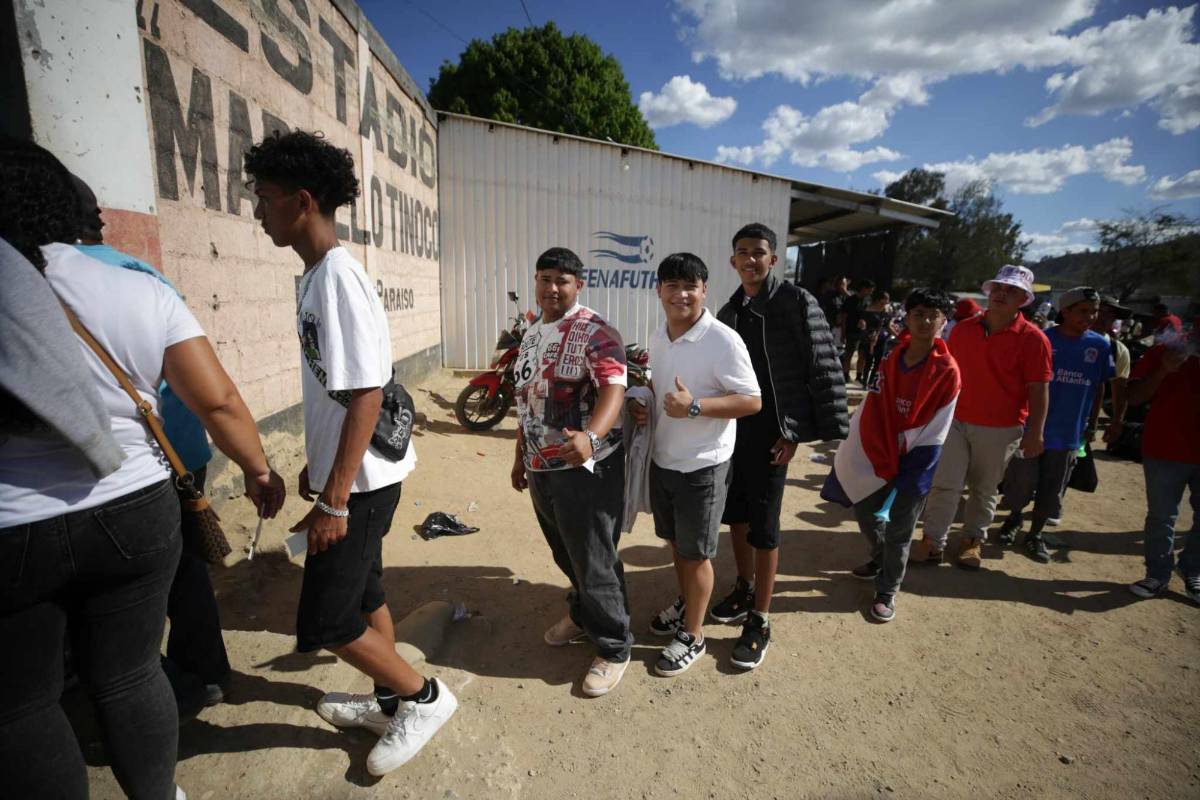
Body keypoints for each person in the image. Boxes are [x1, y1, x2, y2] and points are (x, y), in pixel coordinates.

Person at [0, 137, 285, 800]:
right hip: (133, 507)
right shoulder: (131, 285)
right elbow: (216, 398)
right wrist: (258, 467)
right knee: (130, 673)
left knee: (21, 705)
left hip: (12, 533)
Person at [245, 131, 455, 776]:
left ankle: (424, 699)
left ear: (302, 201)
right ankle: (391, 699)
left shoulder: (337, 277)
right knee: (365, 597)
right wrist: (319, 458)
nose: (258, 210)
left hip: (361, 484)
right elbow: (337, 389)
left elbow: (368, 391)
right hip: (348, 473)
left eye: (266, 198)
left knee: (332, 621)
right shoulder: (313, 276)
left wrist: (334, 497)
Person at [70, 173, 230, 711]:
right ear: (100, 220)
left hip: (124, 471)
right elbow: (213, 395)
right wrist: (254, 465)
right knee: (187, 573)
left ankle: (157, 693)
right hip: (183, 452)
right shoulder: (144, 276)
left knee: (127, 600)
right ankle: (206, 674)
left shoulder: (38, 281)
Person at [714, 223, 848, 670]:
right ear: (732, 261)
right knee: (735, 515)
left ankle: (761, 618)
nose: (750, 259)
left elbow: (821, 363)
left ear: (774, 259)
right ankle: (745, 586)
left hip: (775, 433)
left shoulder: (796, 302)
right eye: (742, 252)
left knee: (765, 525)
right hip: (735, 432)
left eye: (759, 252)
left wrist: (795, 433)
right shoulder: (729, 311)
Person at [509, 247, 632, 695]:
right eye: (544, 278)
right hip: (541, 465)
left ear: (579, 284)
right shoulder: (532, 332)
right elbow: (529, 400)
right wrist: (520, 456)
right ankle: (584, 613)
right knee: (566, 551)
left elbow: (614, 389)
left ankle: (615, 645)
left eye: (562, 280)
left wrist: (591, 438)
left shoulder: (595, 330)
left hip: (585, 468)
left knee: (594, 555)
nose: (552, 288)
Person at [633, 253, 760, 676]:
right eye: (672, 285)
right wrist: (645, 405)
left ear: (705, 290)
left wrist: (696, 407)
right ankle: (689, 603)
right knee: (676, 545)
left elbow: (751, 400)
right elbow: (658, 387)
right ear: (659, 291)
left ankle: (694, 636)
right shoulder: (658, 336)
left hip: (703, 466)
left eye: (690, 286)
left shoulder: (722, 340)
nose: (681, 294)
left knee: (697, 554)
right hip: (664, 459)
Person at [823, 289, 960, 621]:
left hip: (917, 458)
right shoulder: (890, 357)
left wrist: (911, 456)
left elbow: (938, 425)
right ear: (907, 318)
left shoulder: (948, 370)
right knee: (866, 512)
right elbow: (874, 404)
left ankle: (887, 589)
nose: (926, 321)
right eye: (918, 314)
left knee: (901, 528)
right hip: (877, 450)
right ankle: (880, 556)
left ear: (944, 320)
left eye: (933, 315)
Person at [912, 265, 1052, 570]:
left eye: (1012, 290)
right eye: (999, 287)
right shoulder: (963, 329)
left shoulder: (1034, 339)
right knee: (945, 484)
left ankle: (972, 541)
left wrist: (1035, 432)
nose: (1003, 293)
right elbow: (946, 374)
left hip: (1001, 427)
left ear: (1024, 299)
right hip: (955, 420)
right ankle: (933, 541)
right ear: (990, 292)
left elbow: (1039, 389)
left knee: (984, 489)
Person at [995, 288, 1115, 562]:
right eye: (1083, 311)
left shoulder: (1099, 346)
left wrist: (1092, 424)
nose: (1090, 316)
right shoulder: (1042, 339)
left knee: (1053, 486)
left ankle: (1035, 534)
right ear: (1066, 311)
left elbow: (1099, 387)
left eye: (1093, 311)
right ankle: (1013, 519)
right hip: (1032, 428)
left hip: (1069, 432)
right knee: (1020, 482)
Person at [1125, 323, 1200, 602]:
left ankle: (1192, 569)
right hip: (1165, 450)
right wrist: (1163, 371)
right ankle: (1158, 575)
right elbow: (1133, 397)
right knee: (1162, 516)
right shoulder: (1166, 351)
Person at [841, 279, 875, 384]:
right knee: (849, 354)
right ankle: (845, 375)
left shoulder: (868, 301)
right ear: (864, 289)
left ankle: (859, 376)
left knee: (863, 355)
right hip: (852, 331)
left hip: (864, 332)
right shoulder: (851, 300)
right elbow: (844, 317)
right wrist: (843, 333)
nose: (870, 292)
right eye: (869, 290)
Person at [857, 289, 891, 388]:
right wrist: (862, 326)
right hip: (870, 337)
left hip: (882, 338)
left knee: (878, 361)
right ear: (879, 299)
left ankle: (871, 382)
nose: (886, 302)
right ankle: (864, 381)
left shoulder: (886, 311)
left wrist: (898, 335)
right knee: (868, 359)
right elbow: (861, 322)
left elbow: (888, 325)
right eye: (885, 299)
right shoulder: (868, 309)